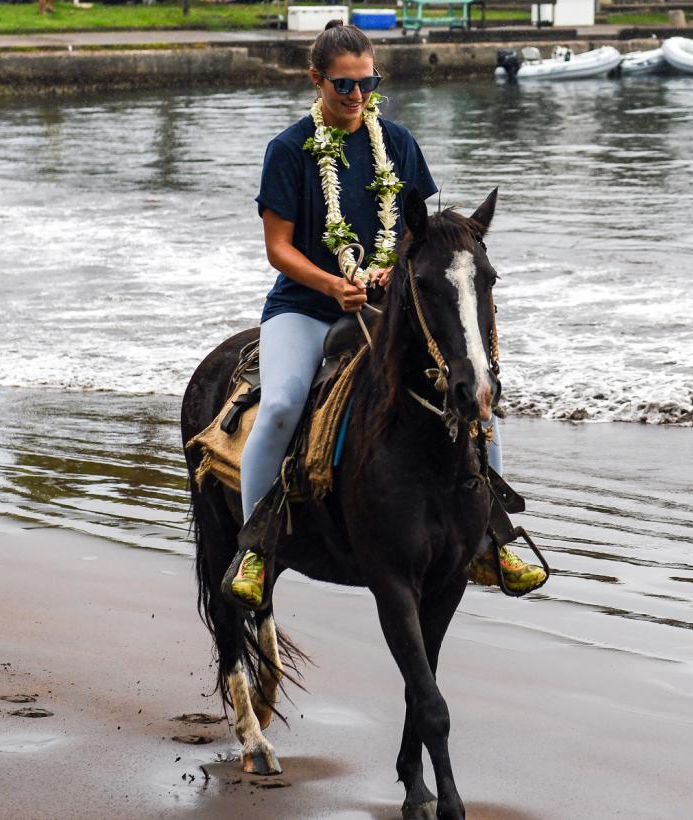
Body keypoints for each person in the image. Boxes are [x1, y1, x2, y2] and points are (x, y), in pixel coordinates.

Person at [227, 21, 545, 607]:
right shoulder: (289, 150)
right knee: (277, 407)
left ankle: (494, 537)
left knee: (473, 395)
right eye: (343, 86)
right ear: (317, 80)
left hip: (386, 304)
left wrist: (386, 270)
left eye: (367, 83)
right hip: (304, 305)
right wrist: (332, 281)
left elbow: (416, 234)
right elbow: (278, 248)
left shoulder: (395, 142)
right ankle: (256, 545)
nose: (356, 96)